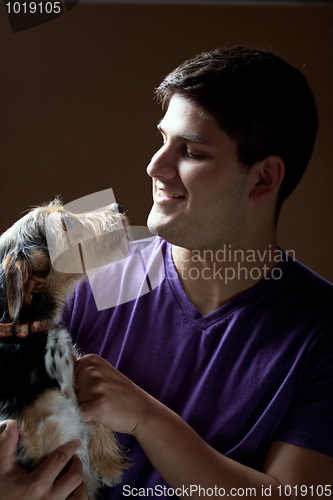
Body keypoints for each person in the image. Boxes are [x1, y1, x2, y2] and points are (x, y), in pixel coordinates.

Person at [1, 46, 332, 499]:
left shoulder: (322, 332)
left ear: (263, 179)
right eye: (162, 139)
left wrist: (146, 417)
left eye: (191, 152)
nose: (155, 166)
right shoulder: (81, 282)